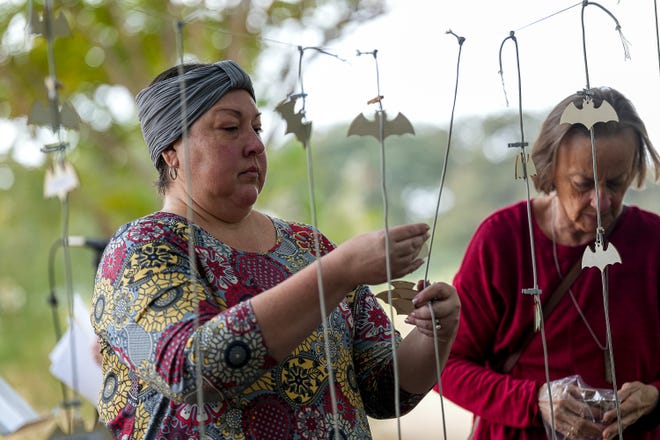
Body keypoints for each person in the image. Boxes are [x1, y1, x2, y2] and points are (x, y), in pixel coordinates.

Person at [90, 60, 460, 439]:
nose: (255, 145)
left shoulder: (308, 246)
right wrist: (337, 272)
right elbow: (189, 370)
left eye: (257, 128)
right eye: (231, 128)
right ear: (172, 151)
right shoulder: (141, 248)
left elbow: (385, 392)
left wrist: (434, 335)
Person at [440, 86, 660, 439]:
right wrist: (535, 399)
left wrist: (656, 396)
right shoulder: (502, 239)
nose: (601, 201)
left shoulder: (653, 242)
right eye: (583, 183)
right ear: (549, 169)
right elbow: (444, 365)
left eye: (616, 183)